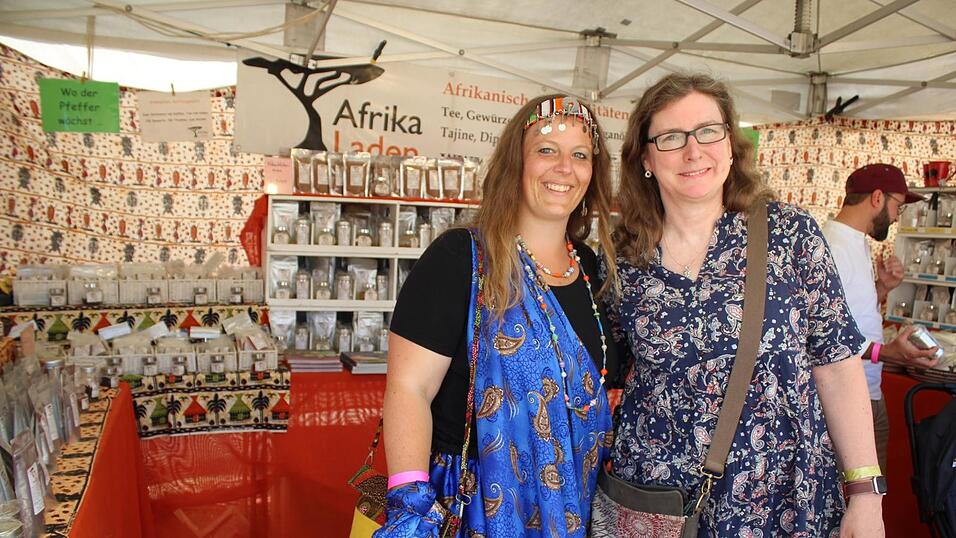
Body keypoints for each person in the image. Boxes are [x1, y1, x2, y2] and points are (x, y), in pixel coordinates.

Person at [606, 72, 884, 537]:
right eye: (672, 137)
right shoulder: (622, 259)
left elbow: (836, 365)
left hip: (782, 503)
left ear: (731, 146)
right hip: (660, 505)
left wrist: (866, 494)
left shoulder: (789, 234)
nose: (694, 151)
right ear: (646, 158)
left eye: (708, 132)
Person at [376, 94, 621, 537]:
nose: (564, 167)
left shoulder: (592, 270)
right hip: (475, 511)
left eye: (580, 155)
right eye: (547, 150)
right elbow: (409, 387)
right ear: (516, 162)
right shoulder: (459, 259)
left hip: (580, 509)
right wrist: (410, 503)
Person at [822, 163, 939, 474]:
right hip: (844, 395)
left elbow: (850, 311)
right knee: (855, 498)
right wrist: (886, 352)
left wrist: (882, 287)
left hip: (867, 389)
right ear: (877, 197)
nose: (898, 216)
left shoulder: (854, 240)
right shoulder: (831, 247)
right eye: (897, 205)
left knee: (873, 493)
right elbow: (823, 332)